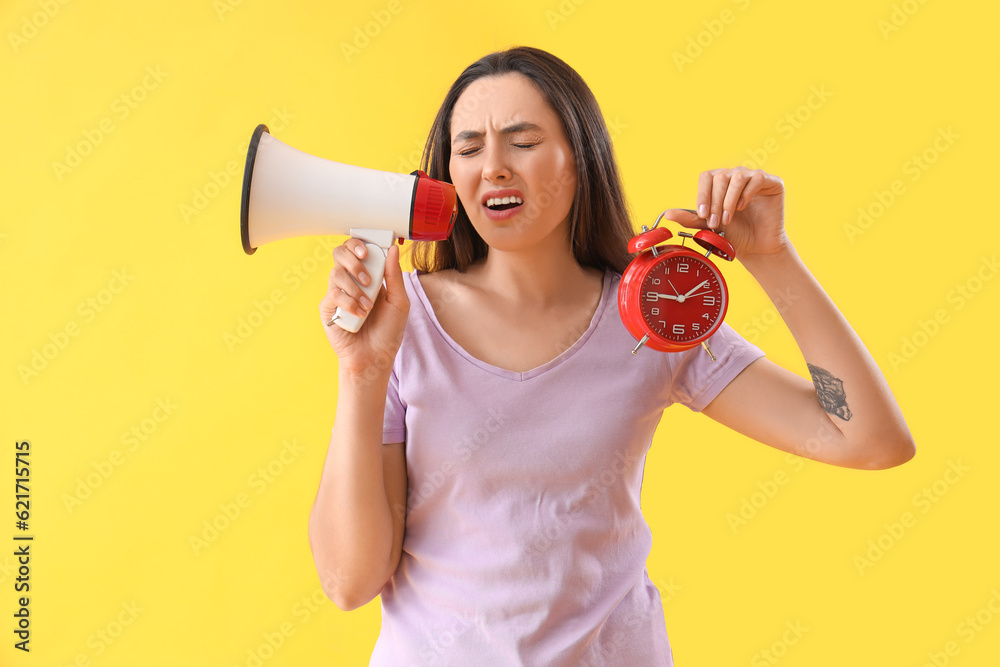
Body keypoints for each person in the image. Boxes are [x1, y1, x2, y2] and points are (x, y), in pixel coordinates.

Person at [307, 46, 914, 666]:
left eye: (522, 141)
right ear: (448, 178)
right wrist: (362, 370)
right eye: (469, 148)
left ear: (580, 159)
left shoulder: (652, 316)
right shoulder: (402, 321)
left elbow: (866, 438)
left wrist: (771, 256)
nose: (493, 167)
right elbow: (350, 582)